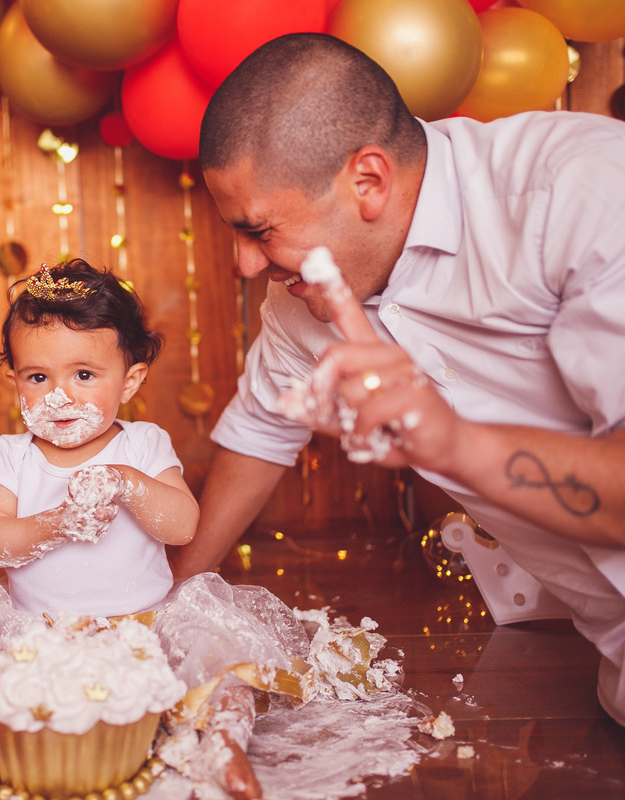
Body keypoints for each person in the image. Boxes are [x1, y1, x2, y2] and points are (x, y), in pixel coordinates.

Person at [0, 262, 404, 800]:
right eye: (38, 376)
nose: (60, 395)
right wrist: (55, 523)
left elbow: (183, 526)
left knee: (222, 672)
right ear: (16, 381)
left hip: (145, 628)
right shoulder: (12, 456)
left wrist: (129, 484)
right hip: (35, 633)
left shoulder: (141, 447)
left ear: (129, 381)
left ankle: (224, 746)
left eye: (83, 374)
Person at [177, 32, 625, 726]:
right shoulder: (301, 301)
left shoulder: (583, 190)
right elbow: (260, 430)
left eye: (258, 230)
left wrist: (453, 444)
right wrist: (165, 603)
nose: (244, 264)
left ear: (369, 181)